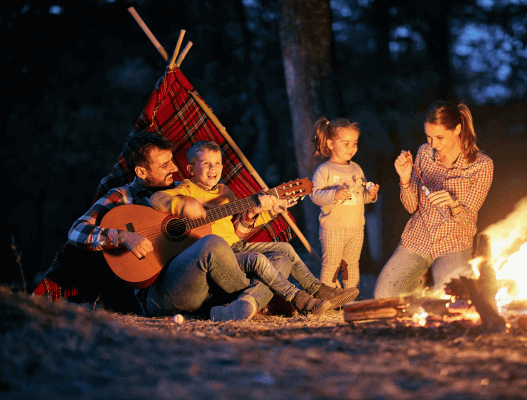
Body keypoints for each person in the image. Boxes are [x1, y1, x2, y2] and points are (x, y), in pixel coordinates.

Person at [67, 131, 330, 321]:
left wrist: (251, 215)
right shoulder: (121, 198)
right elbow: (76, 232)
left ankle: (243, 305)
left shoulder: (184, 189)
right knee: (212, 244)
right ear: (141, 172)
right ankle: (265, 298)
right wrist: (123, 236)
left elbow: (227, 233)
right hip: (162, 293)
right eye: (165, 164)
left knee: (279, 257)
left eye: (172, 160)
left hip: (208, 284)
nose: (174, 167)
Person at [149, 140, 360, 321]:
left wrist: (264, 212)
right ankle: (300, 299)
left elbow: (236, 232)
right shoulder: (186, 189)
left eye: (217, 164)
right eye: (206, 164)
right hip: (217, 255)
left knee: (284, 249)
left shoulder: (226, 193)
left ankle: (317, 289)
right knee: (260, 259)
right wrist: (182, 205)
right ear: (191, 170)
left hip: (235, 246)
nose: (213, 169)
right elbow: (156, 199)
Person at [374, 101, 493, 298]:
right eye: (428, 137)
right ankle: (419, 282)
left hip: (454, 242)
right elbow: (411, 206)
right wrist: (405, 179)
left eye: (439, 137)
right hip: (418, 238)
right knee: (384, 297)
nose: (433, 144)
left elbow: (468, 219)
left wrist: (453, 203)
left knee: (449, 300)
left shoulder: (481, 165)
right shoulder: (424, 153)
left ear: (457, 129)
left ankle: (428, 283)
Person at [309, 117, 379, 290]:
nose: (352, 148)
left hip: (355, 228)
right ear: (331, 144)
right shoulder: (324, 170)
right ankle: (327, 296)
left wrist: (370, 195)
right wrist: (334, 194)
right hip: (333, 228)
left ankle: (350, 297)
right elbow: (315, 195)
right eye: (346, 143)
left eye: (354, 143)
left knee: (352, 265)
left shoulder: (356, 168)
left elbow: (361, 196)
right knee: (331, 264)